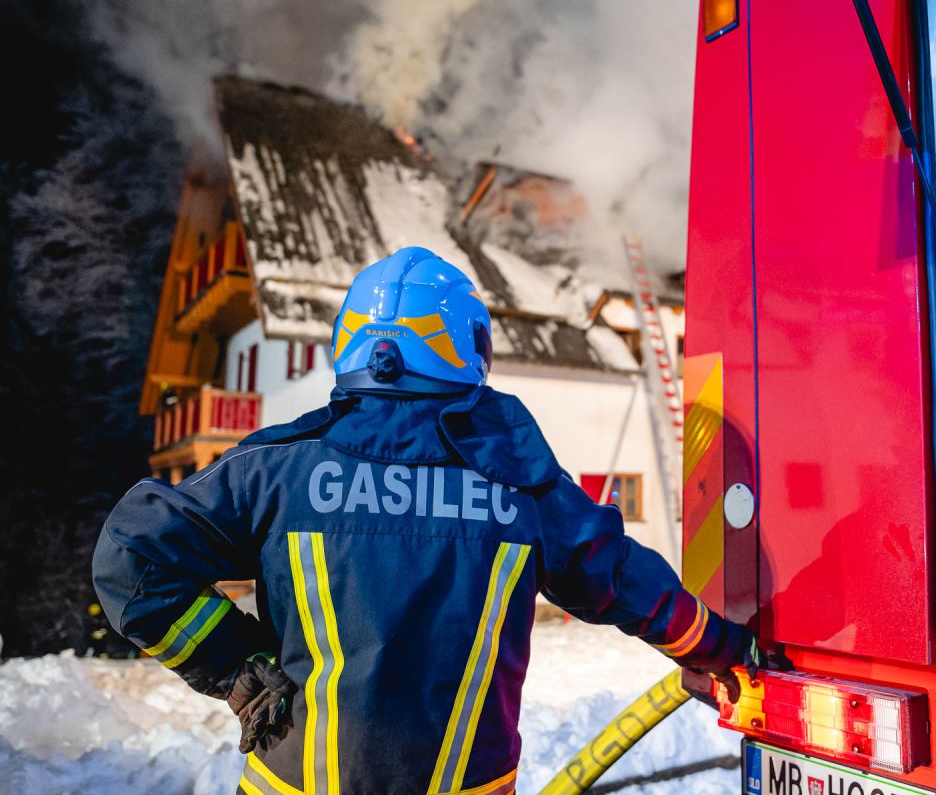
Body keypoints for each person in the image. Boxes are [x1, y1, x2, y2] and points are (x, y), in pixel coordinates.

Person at [93, 247, 764, 795]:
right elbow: (618, 578)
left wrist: (236, 666)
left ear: (351, 343)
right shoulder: (519, 481)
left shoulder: (275, 472)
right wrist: (718, 648)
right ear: (466, 347)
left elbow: (131, 557)